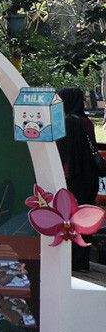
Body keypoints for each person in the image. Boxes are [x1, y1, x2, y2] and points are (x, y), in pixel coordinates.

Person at [56, 87, 99, 271]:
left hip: (72, 177)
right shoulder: (87, 121)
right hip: (90, 177)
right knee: (85, 218)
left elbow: (62, 152)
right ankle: (82, 261)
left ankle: (71, 261)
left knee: (69, 220)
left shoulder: (66, 122)